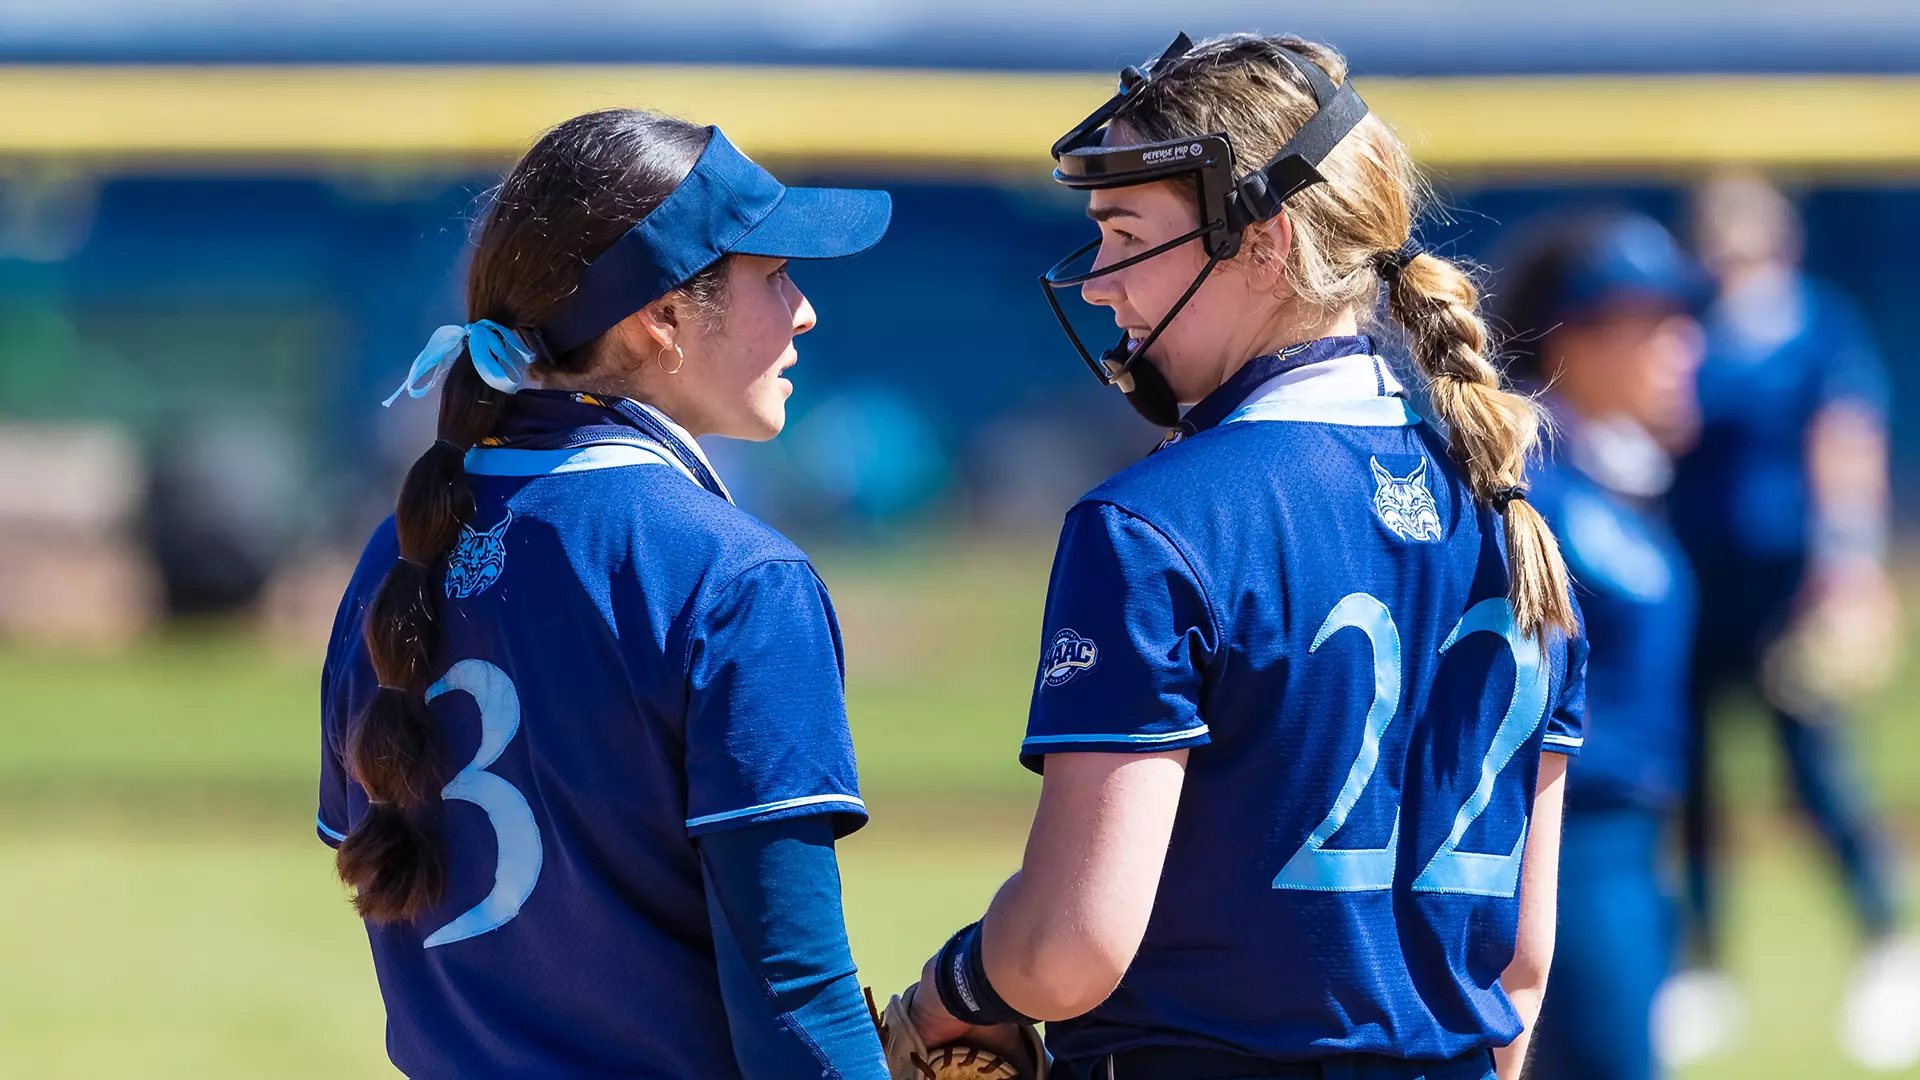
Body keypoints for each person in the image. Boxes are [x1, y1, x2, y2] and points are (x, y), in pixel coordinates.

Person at [900, 33, 1587, 1080]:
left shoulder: (1156, 523)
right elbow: (1519, 971)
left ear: (1262, 245)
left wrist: (949, 991)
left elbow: (1070, 949)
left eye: (1124, 233)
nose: (1096, 284)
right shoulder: (1513, 515)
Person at [315, 108, 895, 1079]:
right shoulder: (736, 579)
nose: (804, 312)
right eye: (774, 274)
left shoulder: (394, 556)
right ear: (660, 316)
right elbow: (794, 1001)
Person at [1665, 170, 1917, 1071]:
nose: (1732, 257)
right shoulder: (1685, 329)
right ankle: (1699, 964)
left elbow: (1847, 442)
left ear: (1780, 242)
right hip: (1692, 588)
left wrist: (1848, 569)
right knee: (1687, 780)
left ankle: (1889, 945)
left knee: (1817, 772)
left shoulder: (1816, 323)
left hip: (1787, 589)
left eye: (1748, 239)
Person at [1489, 211, 1708, 1080]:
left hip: (1631, 846)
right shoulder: (1534, 491)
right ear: (1572, 340)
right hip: (1568, 848)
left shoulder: (1615, 481)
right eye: (1650, 325)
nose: (1682, 346)